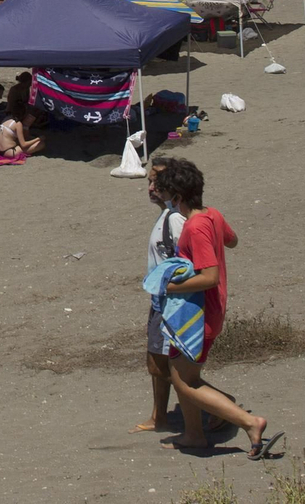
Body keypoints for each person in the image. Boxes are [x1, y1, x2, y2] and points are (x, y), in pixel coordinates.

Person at [156, 158, 277, 459]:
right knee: (183, 375)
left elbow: (209, 277)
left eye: (167, 195)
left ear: (178, 196)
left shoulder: (195, 227)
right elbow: (232, 241)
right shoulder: (213, 215)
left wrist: (168, 287)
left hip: (198, 315)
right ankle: (194, 435)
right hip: (212, 310)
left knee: (184, 381)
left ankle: (249, 422)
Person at [135, 158, 187, 435]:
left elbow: (189, 262)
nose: (150, 188)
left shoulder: (175, 220)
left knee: (161, 366)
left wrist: (170, 290)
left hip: (170, 303)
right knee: (158, 362)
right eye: (149, 182)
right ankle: (160, 417)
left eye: (156, 183)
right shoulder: (166, 216)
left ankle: (218, 407)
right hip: (159, 300)